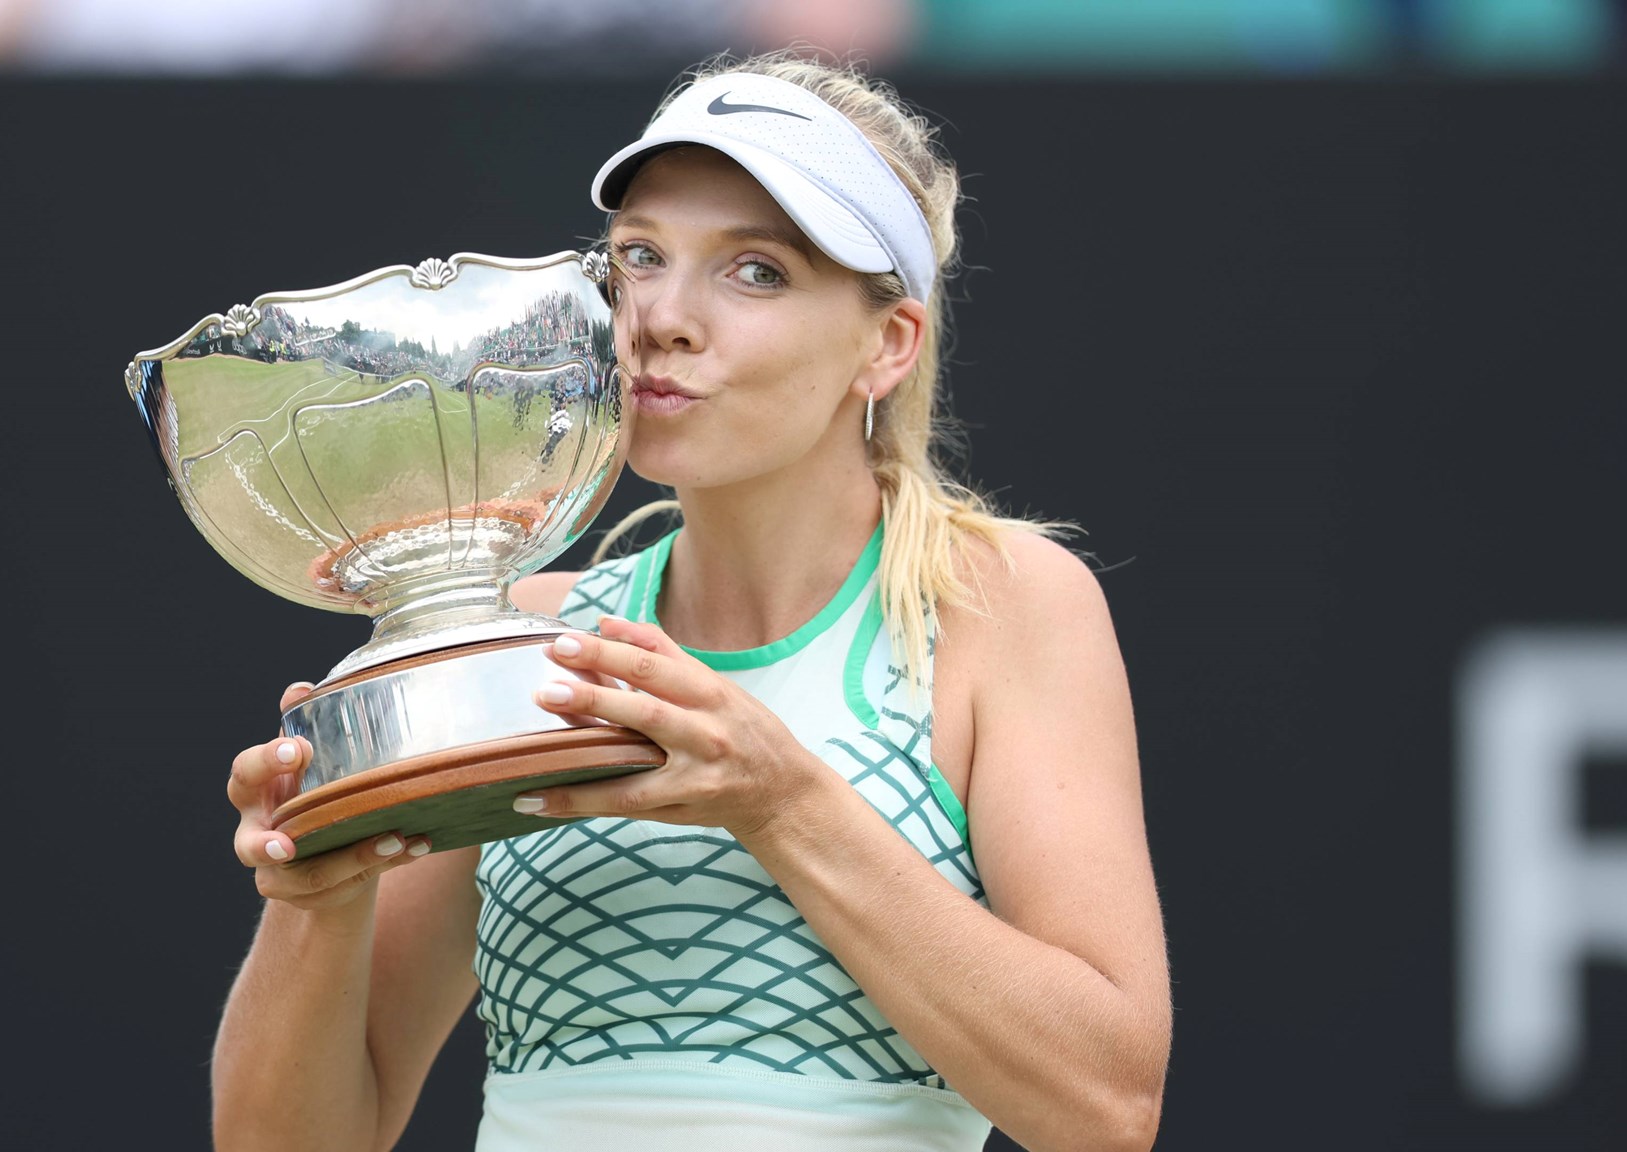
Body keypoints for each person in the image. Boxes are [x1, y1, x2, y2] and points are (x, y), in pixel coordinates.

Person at [214, 50, 1171, 1152]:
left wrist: (780, 801)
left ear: (885, 343)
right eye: (638, 257)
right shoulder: (528, 631)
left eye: (753, 271)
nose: (660, 316)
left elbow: (1106, 1111)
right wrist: (316, 901)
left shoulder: (1002, 606)